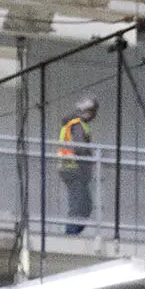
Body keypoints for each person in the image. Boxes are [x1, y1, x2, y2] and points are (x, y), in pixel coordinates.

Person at [56, 97, 99, 237]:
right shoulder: (77, 125)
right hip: (74, 168)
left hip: (70, 167)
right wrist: (90, 156)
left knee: (83, 203)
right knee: (79, 203)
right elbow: (80, 147)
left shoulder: (75, 124)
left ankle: (73, 231)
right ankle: (71, 232)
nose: (94, 116)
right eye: (93, 112)